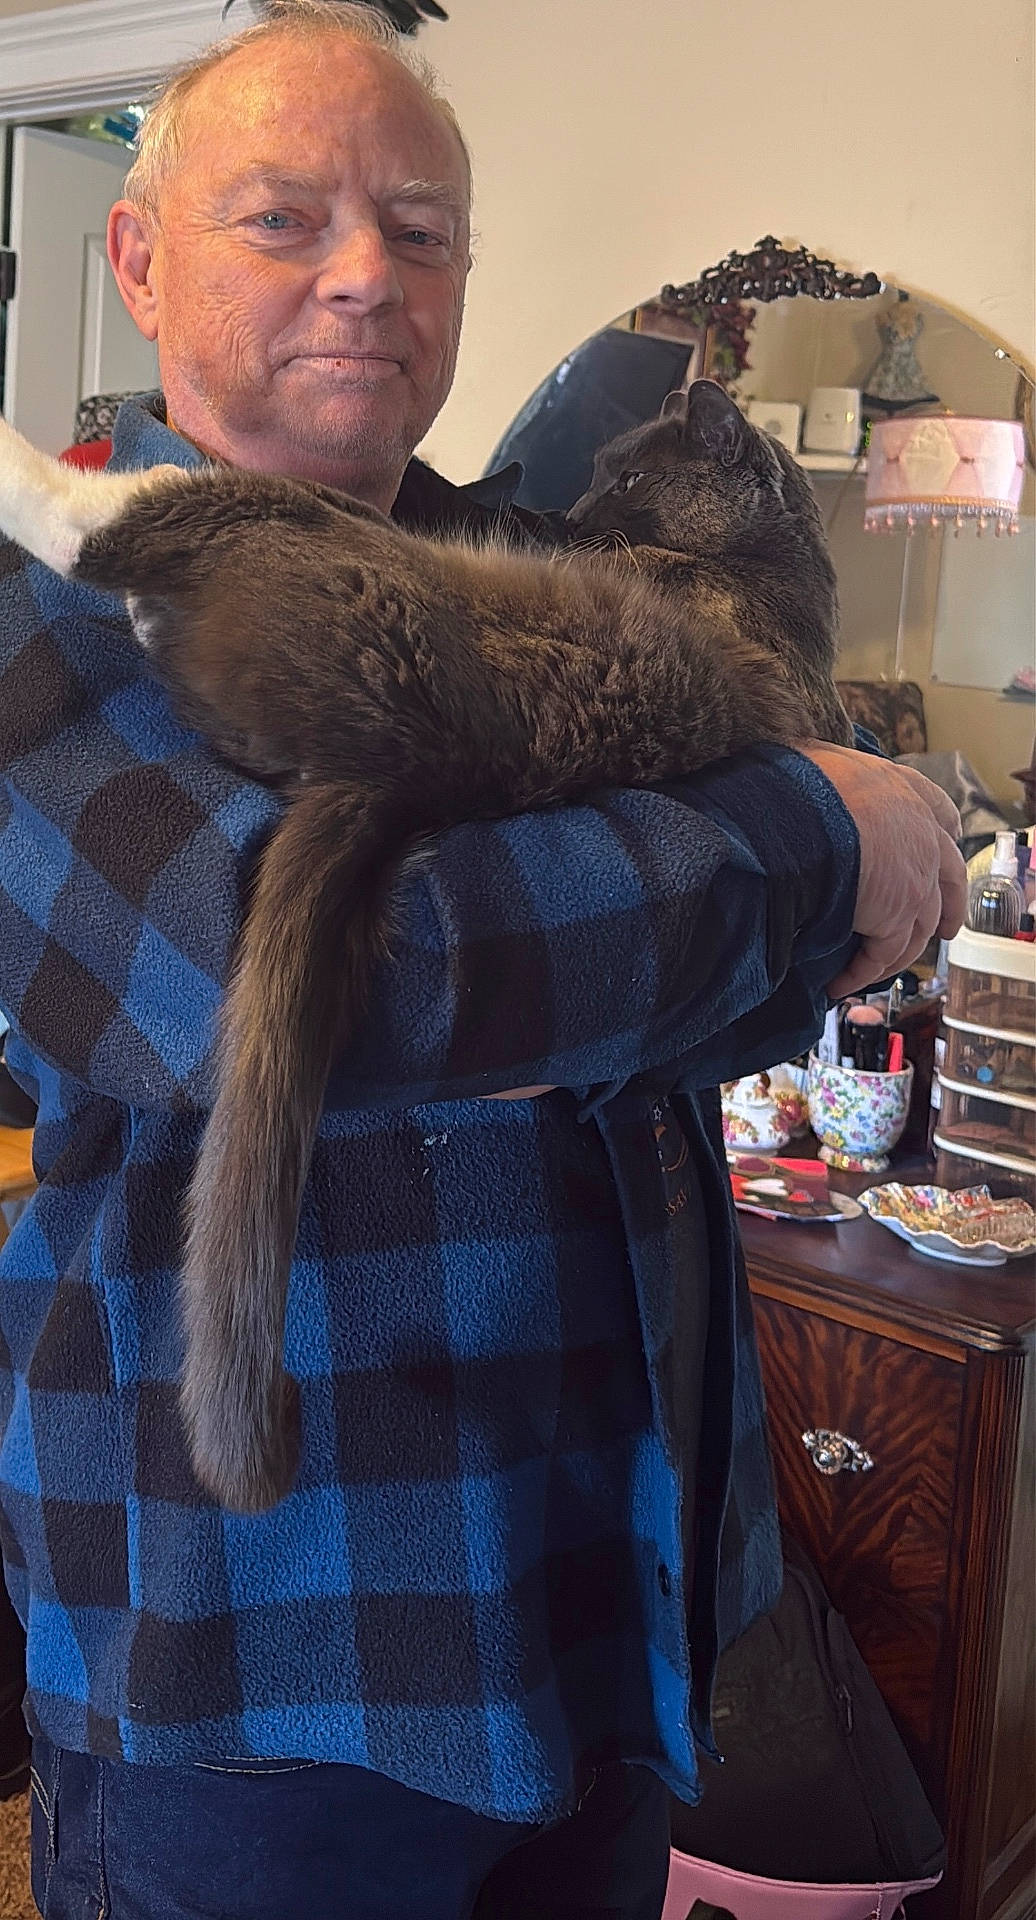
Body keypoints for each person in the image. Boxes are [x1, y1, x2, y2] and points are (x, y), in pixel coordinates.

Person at [0, 6, 966, 1917]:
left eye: (423, 228)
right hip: (265, 1662)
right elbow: (324, 991)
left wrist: (654, 922)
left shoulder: (540, 566)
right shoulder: (49, 609)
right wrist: (802, 828)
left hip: (609, 1595)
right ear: (139, 258)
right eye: (284, 218)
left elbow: (730, 998)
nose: (369, 274)